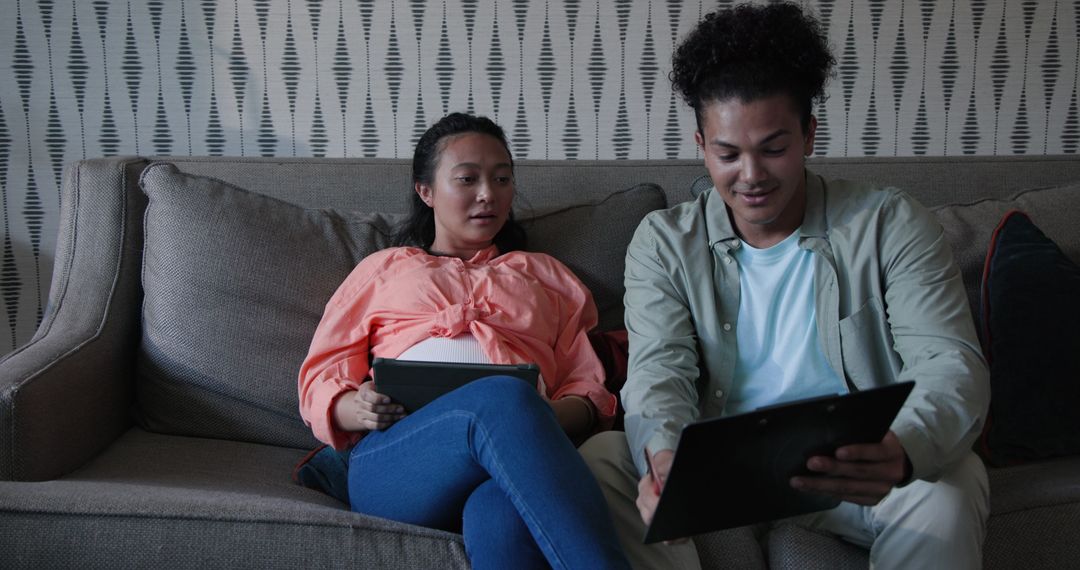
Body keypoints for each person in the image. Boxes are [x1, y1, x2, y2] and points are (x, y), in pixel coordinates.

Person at [579, 3, 990, 569]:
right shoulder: (664, 242)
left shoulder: (888, 223)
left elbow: (951, 364)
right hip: (720, 474)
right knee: (605, 457)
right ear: (702, 145)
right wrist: (664, 458)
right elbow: (658, 373)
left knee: (952, 482)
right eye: (728, 154)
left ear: (809, 135)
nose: (751, 176)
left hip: (850, 471)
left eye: (773, 148)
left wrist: (901, 449)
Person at [298, 112, 630, 570]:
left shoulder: (545, 276)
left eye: (502, 179)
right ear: (426, 191)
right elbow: (320, 374)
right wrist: (353, 406)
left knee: (500, 513)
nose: (488, 194)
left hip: (515, 460)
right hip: (399, 462)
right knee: (502, 396)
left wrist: (541, 416)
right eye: (467, 179)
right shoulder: (385, 269)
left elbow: (588, 387)